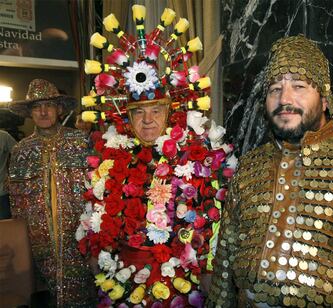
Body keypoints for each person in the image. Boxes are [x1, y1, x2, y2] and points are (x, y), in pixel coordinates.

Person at [207, 35, 333, 307]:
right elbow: (224, 275)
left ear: (325, 100)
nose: (285, 98)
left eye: (299, 86)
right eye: (274, 89)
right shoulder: (249, 168)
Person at [76, 4, 236, 307]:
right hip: (121, 281)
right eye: (138, 112)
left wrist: (207, 270)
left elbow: (213, 229)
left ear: (170, 112)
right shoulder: (111, 160)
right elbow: (93, 219)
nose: (147, 120)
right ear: (127, 115)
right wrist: (96, 253)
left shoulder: (197, 159)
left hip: (178, 283)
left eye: (156, 110)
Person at [8, 78, 95, 307]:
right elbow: (16, 202)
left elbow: (97, 187)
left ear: (59, 109)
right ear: (30, 112)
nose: (43, 111)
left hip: (80, 237)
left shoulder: (79, 141)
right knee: (49, 296)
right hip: (39, 244)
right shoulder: (21, 150)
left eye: (48, 105)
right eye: (37, 107)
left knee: (87, 293)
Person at [0, 129, 16, 219]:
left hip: (1, 194)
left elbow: (21, 157)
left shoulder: (3, 136)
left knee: (4, 230)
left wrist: (12, 177)